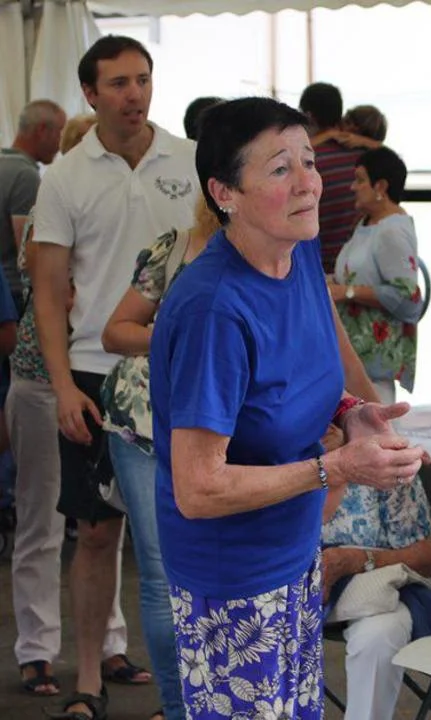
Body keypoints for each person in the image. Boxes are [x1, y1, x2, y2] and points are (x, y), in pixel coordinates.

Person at [149, 95, 426, 718]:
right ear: (225, 192)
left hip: (296, 553)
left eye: (309, 160)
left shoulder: (297, 253)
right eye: (280, 168)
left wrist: (352, 411)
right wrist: (338, 468)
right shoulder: (214, 310)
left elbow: (308, 368)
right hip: (233, 578)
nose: (308, 182)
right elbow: (198, 487)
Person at [34, 36, 201, 720]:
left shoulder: (192, 161)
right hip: (94, 372)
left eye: (143, 79)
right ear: (90, 94)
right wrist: (62, 387)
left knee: (175, 541)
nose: (135, 94)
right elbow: (48, 294)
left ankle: (177, 695)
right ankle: (89, 680)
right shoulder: (64, 178)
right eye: (119, 83)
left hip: (180, 370)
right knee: (96, 533)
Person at [6, 113, 132, 702]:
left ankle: (109, 644)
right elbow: (52, 290)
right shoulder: (51, 209)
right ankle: (36, 648)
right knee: (43, 520)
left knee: (104, 521)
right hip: (42, 377)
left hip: (96, 375)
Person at [97, 194, 222, 720]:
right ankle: (178, 707)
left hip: (228, 430)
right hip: (145, 427)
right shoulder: (176, 248)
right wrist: (175, 335)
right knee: (160, 570)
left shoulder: (284, 256)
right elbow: (114, 331)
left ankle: (214, 700)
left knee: (222, 570)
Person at [321, 473, 431, 719]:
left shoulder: (387, 469)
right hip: (299, 596)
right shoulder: (279, 464)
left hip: (381, 588)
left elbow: (425, 559)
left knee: (378, 636)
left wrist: (356, 559)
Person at [328, 147, 422, 403]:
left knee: (378, 422)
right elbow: (355, 277)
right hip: (355, 360)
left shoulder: (392, 231)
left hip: (374, 367)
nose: (352, 187)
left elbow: (407, 297)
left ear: (380, 186)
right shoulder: (367, 224)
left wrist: (345, 292)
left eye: (360, 180)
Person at [1, 100, 65, 309]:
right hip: (13, 296)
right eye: (60, 132)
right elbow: (29, 251)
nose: (61, 144)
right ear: (42, 131)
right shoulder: (24, 176)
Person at [300, 82, 363, 274]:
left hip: (318, 270)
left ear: (309, 116)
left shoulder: (308, 162)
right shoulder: (362, 156)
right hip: (362, 268)